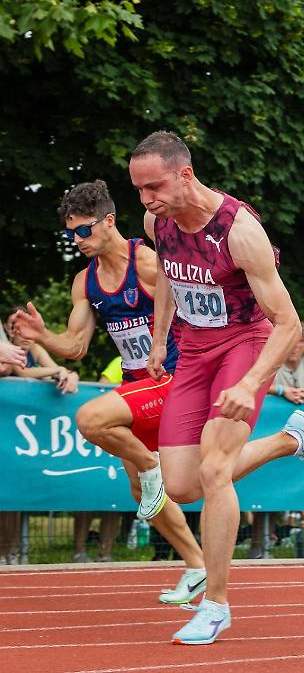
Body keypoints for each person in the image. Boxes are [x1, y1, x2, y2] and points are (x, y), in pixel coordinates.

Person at [129, 131, 304, 645]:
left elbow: (288, 323)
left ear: (185, 173)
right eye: (138, 189)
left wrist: (250, 383)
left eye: (154, 186)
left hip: (246, 343)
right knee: (180, 486)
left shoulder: (239, 230)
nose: (146, 199)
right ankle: (292, 441)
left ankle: (217, 604)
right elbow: (167, 283)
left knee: (215, 468)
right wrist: (158, 341)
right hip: (194, 350)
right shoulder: (156, 222)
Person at [11, 180, 207, 599]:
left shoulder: (149, 262)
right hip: (138, 386)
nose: (77, 240)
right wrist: (43, 336)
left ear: (109, 221)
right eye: (70, 234)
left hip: (174, 379)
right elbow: (76, 346)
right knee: (148, 491)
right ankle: (197, 565)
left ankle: (152, 467)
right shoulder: (86, 282)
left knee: (91, 418)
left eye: (84, 230)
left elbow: (193, 308)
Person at [263, 322, 304, 559]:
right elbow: (257, 382)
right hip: (270, 431)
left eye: (302, 341)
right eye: (294, 338)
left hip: (297, 439)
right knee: (265, 485)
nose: (296, 345)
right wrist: (283, 391)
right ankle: (261, 546)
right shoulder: (273, 358)